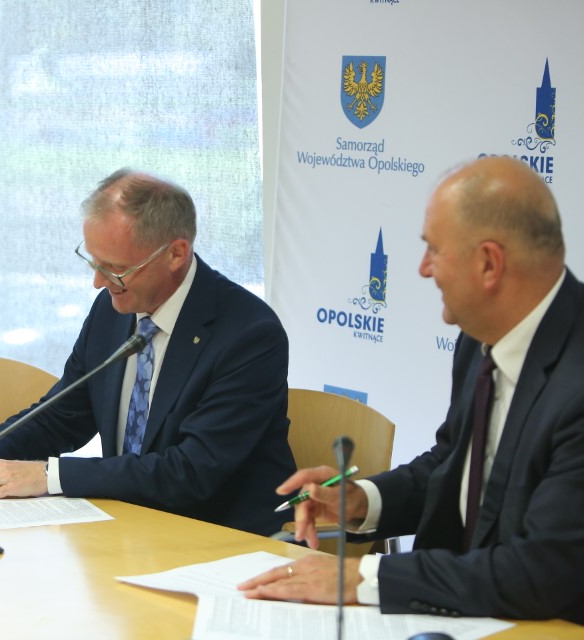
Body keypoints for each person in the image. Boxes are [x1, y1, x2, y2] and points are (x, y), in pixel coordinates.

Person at [239, 156, 584, 623]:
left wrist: (362, 579)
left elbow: (541, 572)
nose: (423, 269)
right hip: (459, 613)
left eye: (434, 250)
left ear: (488, 263)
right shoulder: (479, 337)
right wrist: (360, 499)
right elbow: (452, 462)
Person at [0, 169, 295, 535]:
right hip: (130, 527)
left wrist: (49, 475)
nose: (98, 282)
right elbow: (63, 415)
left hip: (224, 536)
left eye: (116, 269)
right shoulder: (113, 309)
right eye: (93, 262)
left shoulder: (248, 335)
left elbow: (190, 471)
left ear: (176, 253)